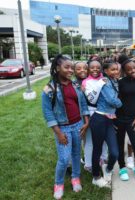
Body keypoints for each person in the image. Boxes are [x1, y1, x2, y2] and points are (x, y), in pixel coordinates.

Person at [41, 55, 89, 200]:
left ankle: (75, 178)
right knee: (63, 158)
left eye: (71, 67)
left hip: (78, 126)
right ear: (57, 68)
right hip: (63, 129)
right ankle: (59, 184)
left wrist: (86, 122)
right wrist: (58, 132)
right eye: (67, 67)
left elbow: (84, 104)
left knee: (75, 154)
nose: (71, 70)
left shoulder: (75, 85)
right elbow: (48, 113)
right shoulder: (49, 89)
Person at [89, 62, 122, 187]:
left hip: (108, 120)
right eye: (112, 70)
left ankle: (107, 169)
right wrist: (121, 103)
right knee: (97, 149)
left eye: (117, 69)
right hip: (99, 119)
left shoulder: (114, 81)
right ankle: (96, 177)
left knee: (114, 152)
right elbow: (112, 101)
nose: (115, 71)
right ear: (106, 71)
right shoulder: (105, 82)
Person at [116, 54, 135, 181]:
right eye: (129, 69)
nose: (133, 70)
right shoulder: (119, 83)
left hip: (133, 119)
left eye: (134, 68)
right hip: (119, 119)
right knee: (119, 144)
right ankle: (122, 168)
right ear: (124, 71)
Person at [81, 60, 107, 173]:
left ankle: (104, 159)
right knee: (90, 140)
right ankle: (88, 163)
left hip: (105, 112)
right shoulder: (86, 82)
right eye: (92, 67)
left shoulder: (105, 79)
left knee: (105, 139)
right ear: (88, 69)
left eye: (98, 67)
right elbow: (92, 98)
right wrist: (101, 84)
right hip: (91, 112)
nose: (95, 69)